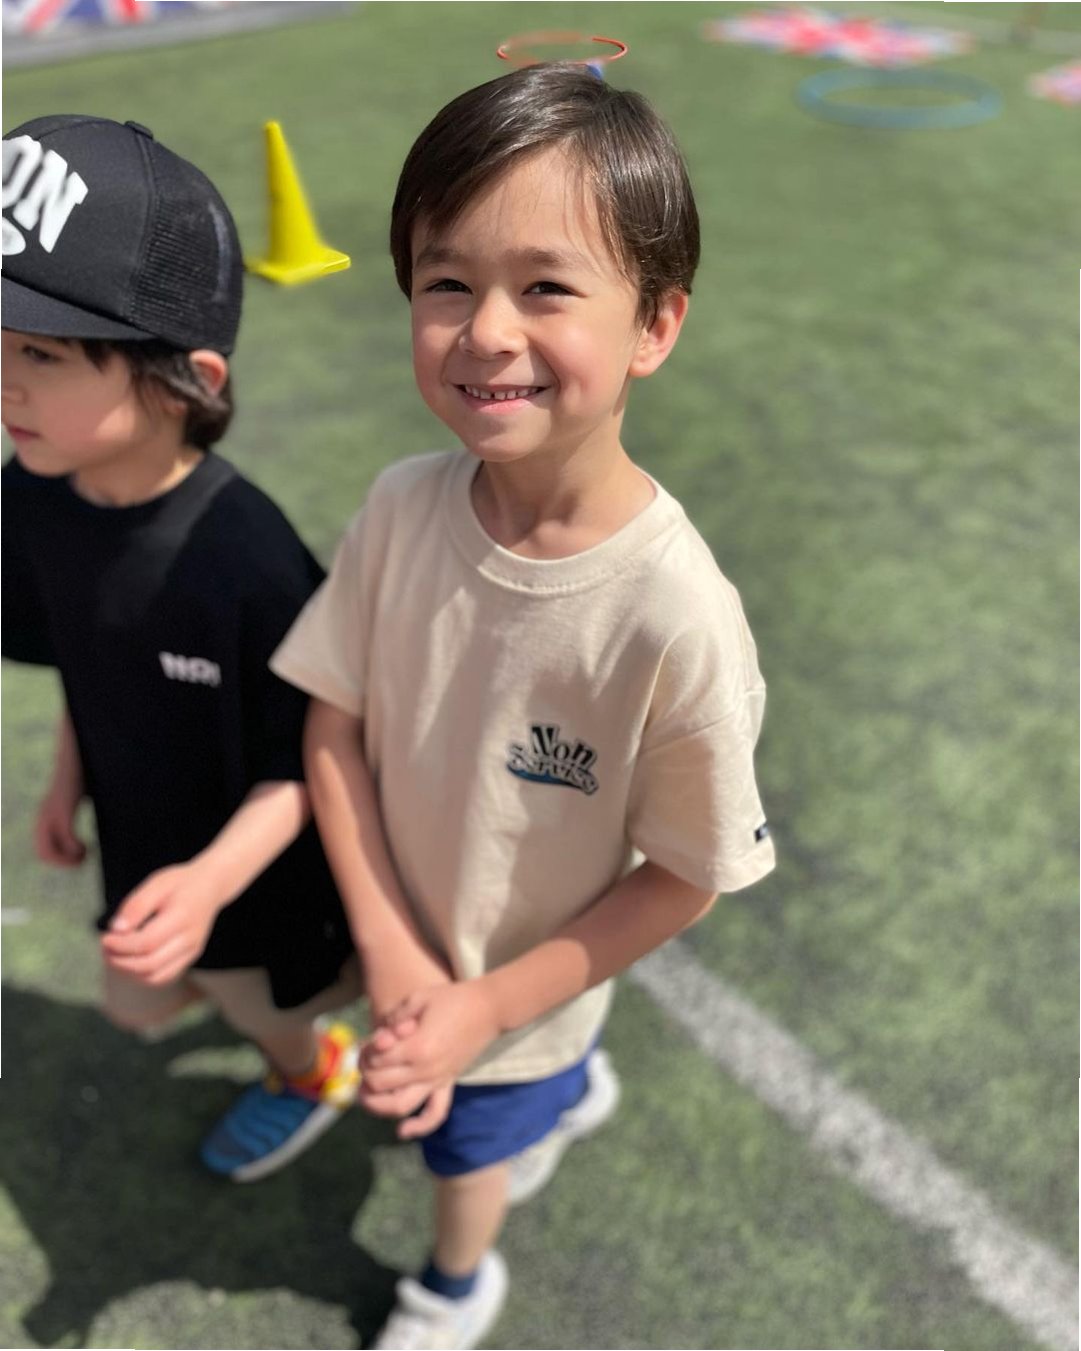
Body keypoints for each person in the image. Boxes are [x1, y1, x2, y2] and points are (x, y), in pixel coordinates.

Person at [271, 64, 776, 1350]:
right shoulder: (400, 506)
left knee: (462, 1156)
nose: (486, 330)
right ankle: (562, 1094)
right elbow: (332, 723)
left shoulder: (675, 616)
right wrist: (393, 951)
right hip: (403, 949)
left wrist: (485, 1010)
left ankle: (453, 1286)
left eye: (546, 286)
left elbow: (685, 875)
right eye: (446, 282)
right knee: (440, 1109)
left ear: (655, 323)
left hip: (518, 1014)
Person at [1, 115, 364, 1184]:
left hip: (255, 871)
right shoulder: (32, 496)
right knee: (141, 1003)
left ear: (184, 380)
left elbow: (308, 760)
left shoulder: (246, 561)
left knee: (261, 1005)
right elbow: (83, 657)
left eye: (40, 353)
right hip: (142, 835)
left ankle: (310, 1071)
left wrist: (208, 885)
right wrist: (66, 782)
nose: (5, 380)